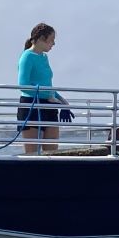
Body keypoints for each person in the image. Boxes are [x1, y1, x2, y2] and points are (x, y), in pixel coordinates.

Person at [17, 23, 73, 155]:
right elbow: (23, 84)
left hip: (49, 105)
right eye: (52, 39)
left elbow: (47, 85)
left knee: (52, 152)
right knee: (32, 154)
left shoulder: (44, 57)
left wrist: (62, 101)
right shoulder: (27, 56)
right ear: (42, 38)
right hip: (31, 105)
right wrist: (47, 95)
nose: (53, 43)